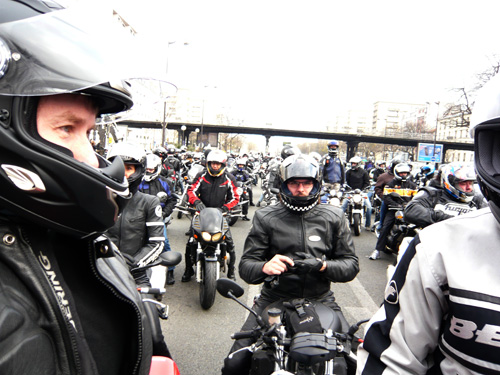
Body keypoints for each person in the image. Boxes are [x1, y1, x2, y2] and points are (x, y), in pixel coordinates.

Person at [0, 3, 158, 373]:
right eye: (67, 129)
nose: (89, 156)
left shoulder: (69, 232)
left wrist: (155, 339)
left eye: (89, 133)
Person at [356, 74, 500, 375]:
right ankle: (379, 246)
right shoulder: (428, 197)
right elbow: (412, 209)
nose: (463, 185)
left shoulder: (471, 199)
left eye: (465, 181)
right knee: (383, 220)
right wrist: (440, 217)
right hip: (409, 222)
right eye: (459, 181)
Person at [221, 154, 359, 374]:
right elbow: (246, 266)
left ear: (317, 185)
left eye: (307, 183)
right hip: (273, 299)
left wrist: (322, 266)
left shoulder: (334, 217)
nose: (301, 189)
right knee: (233, 364)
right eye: (294, 183)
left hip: (321, 298)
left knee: (354, 364)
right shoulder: (265, 217)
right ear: (283, 185)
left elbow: (351, 265)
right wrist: (264, 267)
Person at [106, 144, 165, 288]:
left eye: (129, 168)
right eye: (119, 167)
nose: (123, 173)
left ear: (138, 171)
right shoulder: (97, 199)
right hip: (103, 268)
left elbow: (157, 243)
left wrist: (132, 264)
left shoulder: (149, 202)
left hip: (136, 272)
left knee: (149, 307)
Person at [182, 149, 240, 281]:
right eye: (213, 163)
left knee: (229, 242)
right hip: (201, 214)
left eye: (218, 164)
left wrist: (226, 207)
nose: (215, 166)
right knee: (191, 241)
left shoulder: (229, 178)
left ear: (223, 165)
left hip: (220, 214)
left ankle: (231, 270)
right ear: (209, 163)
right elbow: (191, 190)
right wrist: (196, 202)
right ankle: (188, 269)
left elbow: (235, 197)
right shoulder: (201, 175)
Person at [404, 162, 487, 229]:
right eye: (463, 183)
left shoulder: (477, 200)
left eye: (470, 183)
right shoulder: (432, 194)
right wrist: (442, 217)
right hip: (436, 241)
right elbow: (411, 210)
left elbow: (490, 219)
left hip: (467, 242)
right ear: (450, 182)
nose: (469, 187)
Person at [139, 153, 178, 285]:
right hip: (139, 216)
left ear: (157, 168)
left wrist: (163, 214)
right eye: (147, 169)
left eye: (151, 169)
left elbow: (172, 200)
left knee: (164, 242)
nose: (148, 171)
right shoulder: (138, 181)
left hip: (156, 217)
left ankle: (170, 269)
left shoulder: (164, 182)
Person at [369, 162, 417, 260]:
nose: (403, 175)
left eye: (405, 173)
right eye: (401, 173)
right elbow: (386, 197)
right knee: (385, 227)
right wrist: (397, 205)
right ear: (397, 173)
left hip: (407, 211)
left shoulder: (412, 185)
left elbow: (416, 198)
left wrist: (412, 205)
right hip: (394, 210)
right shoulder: (391, 184)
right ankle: (377, 250)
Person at [342, 156, 372, 229]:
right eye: (352, 163)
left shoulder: (364, 172)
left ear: (358, 164)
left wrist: (364, 189)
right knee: (343, 206)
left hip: (361, 192)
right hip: (351, 192)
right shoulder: (348, 172)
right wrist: (347, 187)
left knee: (369, 207)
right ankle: (340, 223)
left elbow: (367, 183)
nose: (353, 165)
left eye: (355, 163)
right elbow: (346, 182)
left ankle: (367, 225)